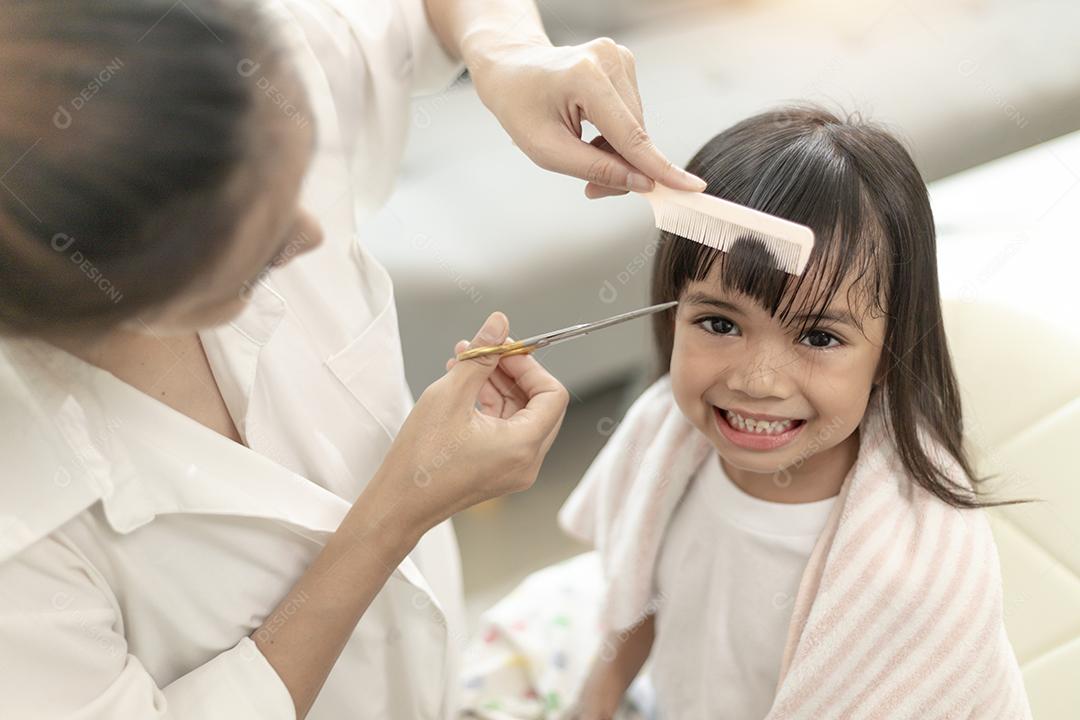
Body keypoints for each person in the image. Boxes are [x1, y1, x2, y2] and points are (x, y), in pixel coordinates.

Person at [0, 0, 706, 718]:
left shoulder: (226, 61)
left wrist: (509, 51)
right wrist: (399, 511)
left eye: (299, 173)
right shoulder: (23, 528)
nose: (311, 234)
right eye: (258, 245)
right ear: (119, 288)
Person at [559, 106, 1033, 719]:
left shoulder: (910, 568)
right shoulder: (664, 442)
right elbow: (638, 600)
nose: (757, 382)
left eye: (819, 337)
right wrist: (593, 704)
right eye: (719, 323)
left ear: (891, 353)